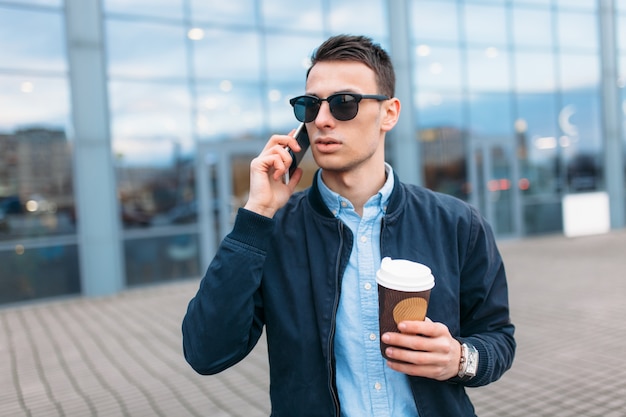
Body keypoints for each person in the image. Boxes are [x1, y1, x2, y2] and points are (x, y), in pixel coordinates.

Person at [182, 34, 515, 417]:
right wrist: (256, 215)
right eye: (310, 105)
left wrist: (460, 359)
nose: (321, 120)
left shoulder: (456, 223)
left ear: (389, 113)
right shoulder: (273, 233)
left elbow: (498, 338)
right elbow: (206, 352)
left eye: (344, 103)